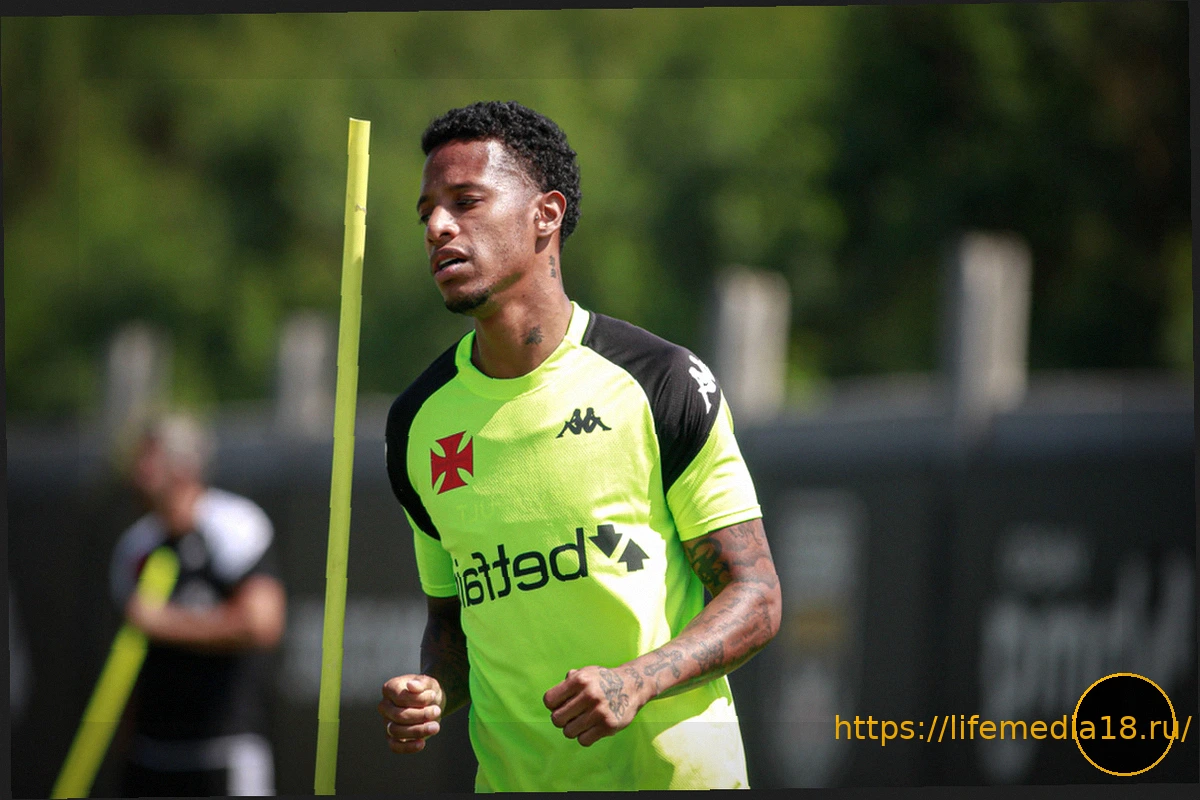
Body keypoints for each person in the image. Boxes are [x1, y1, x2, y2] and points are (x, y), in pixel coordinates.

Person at [379, 100, 781, 791]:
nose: (438, 227)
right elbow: (453, 623)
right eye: (427, 214)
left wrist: (637, 681)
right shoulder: (417, 421)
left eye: (465, 202)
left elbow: (757, 596)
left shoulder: (659, 380)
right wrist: (432, 691)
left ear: (546, 214)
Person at [108, 412, 287, 796]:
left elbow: (261, 623)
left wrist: (165, 623)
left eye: (149, 457)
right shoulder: (135, 547)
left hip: (224, 750)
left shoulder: (234, 526)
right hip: (150, 753)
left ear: (183, 465)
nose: (137, 471)